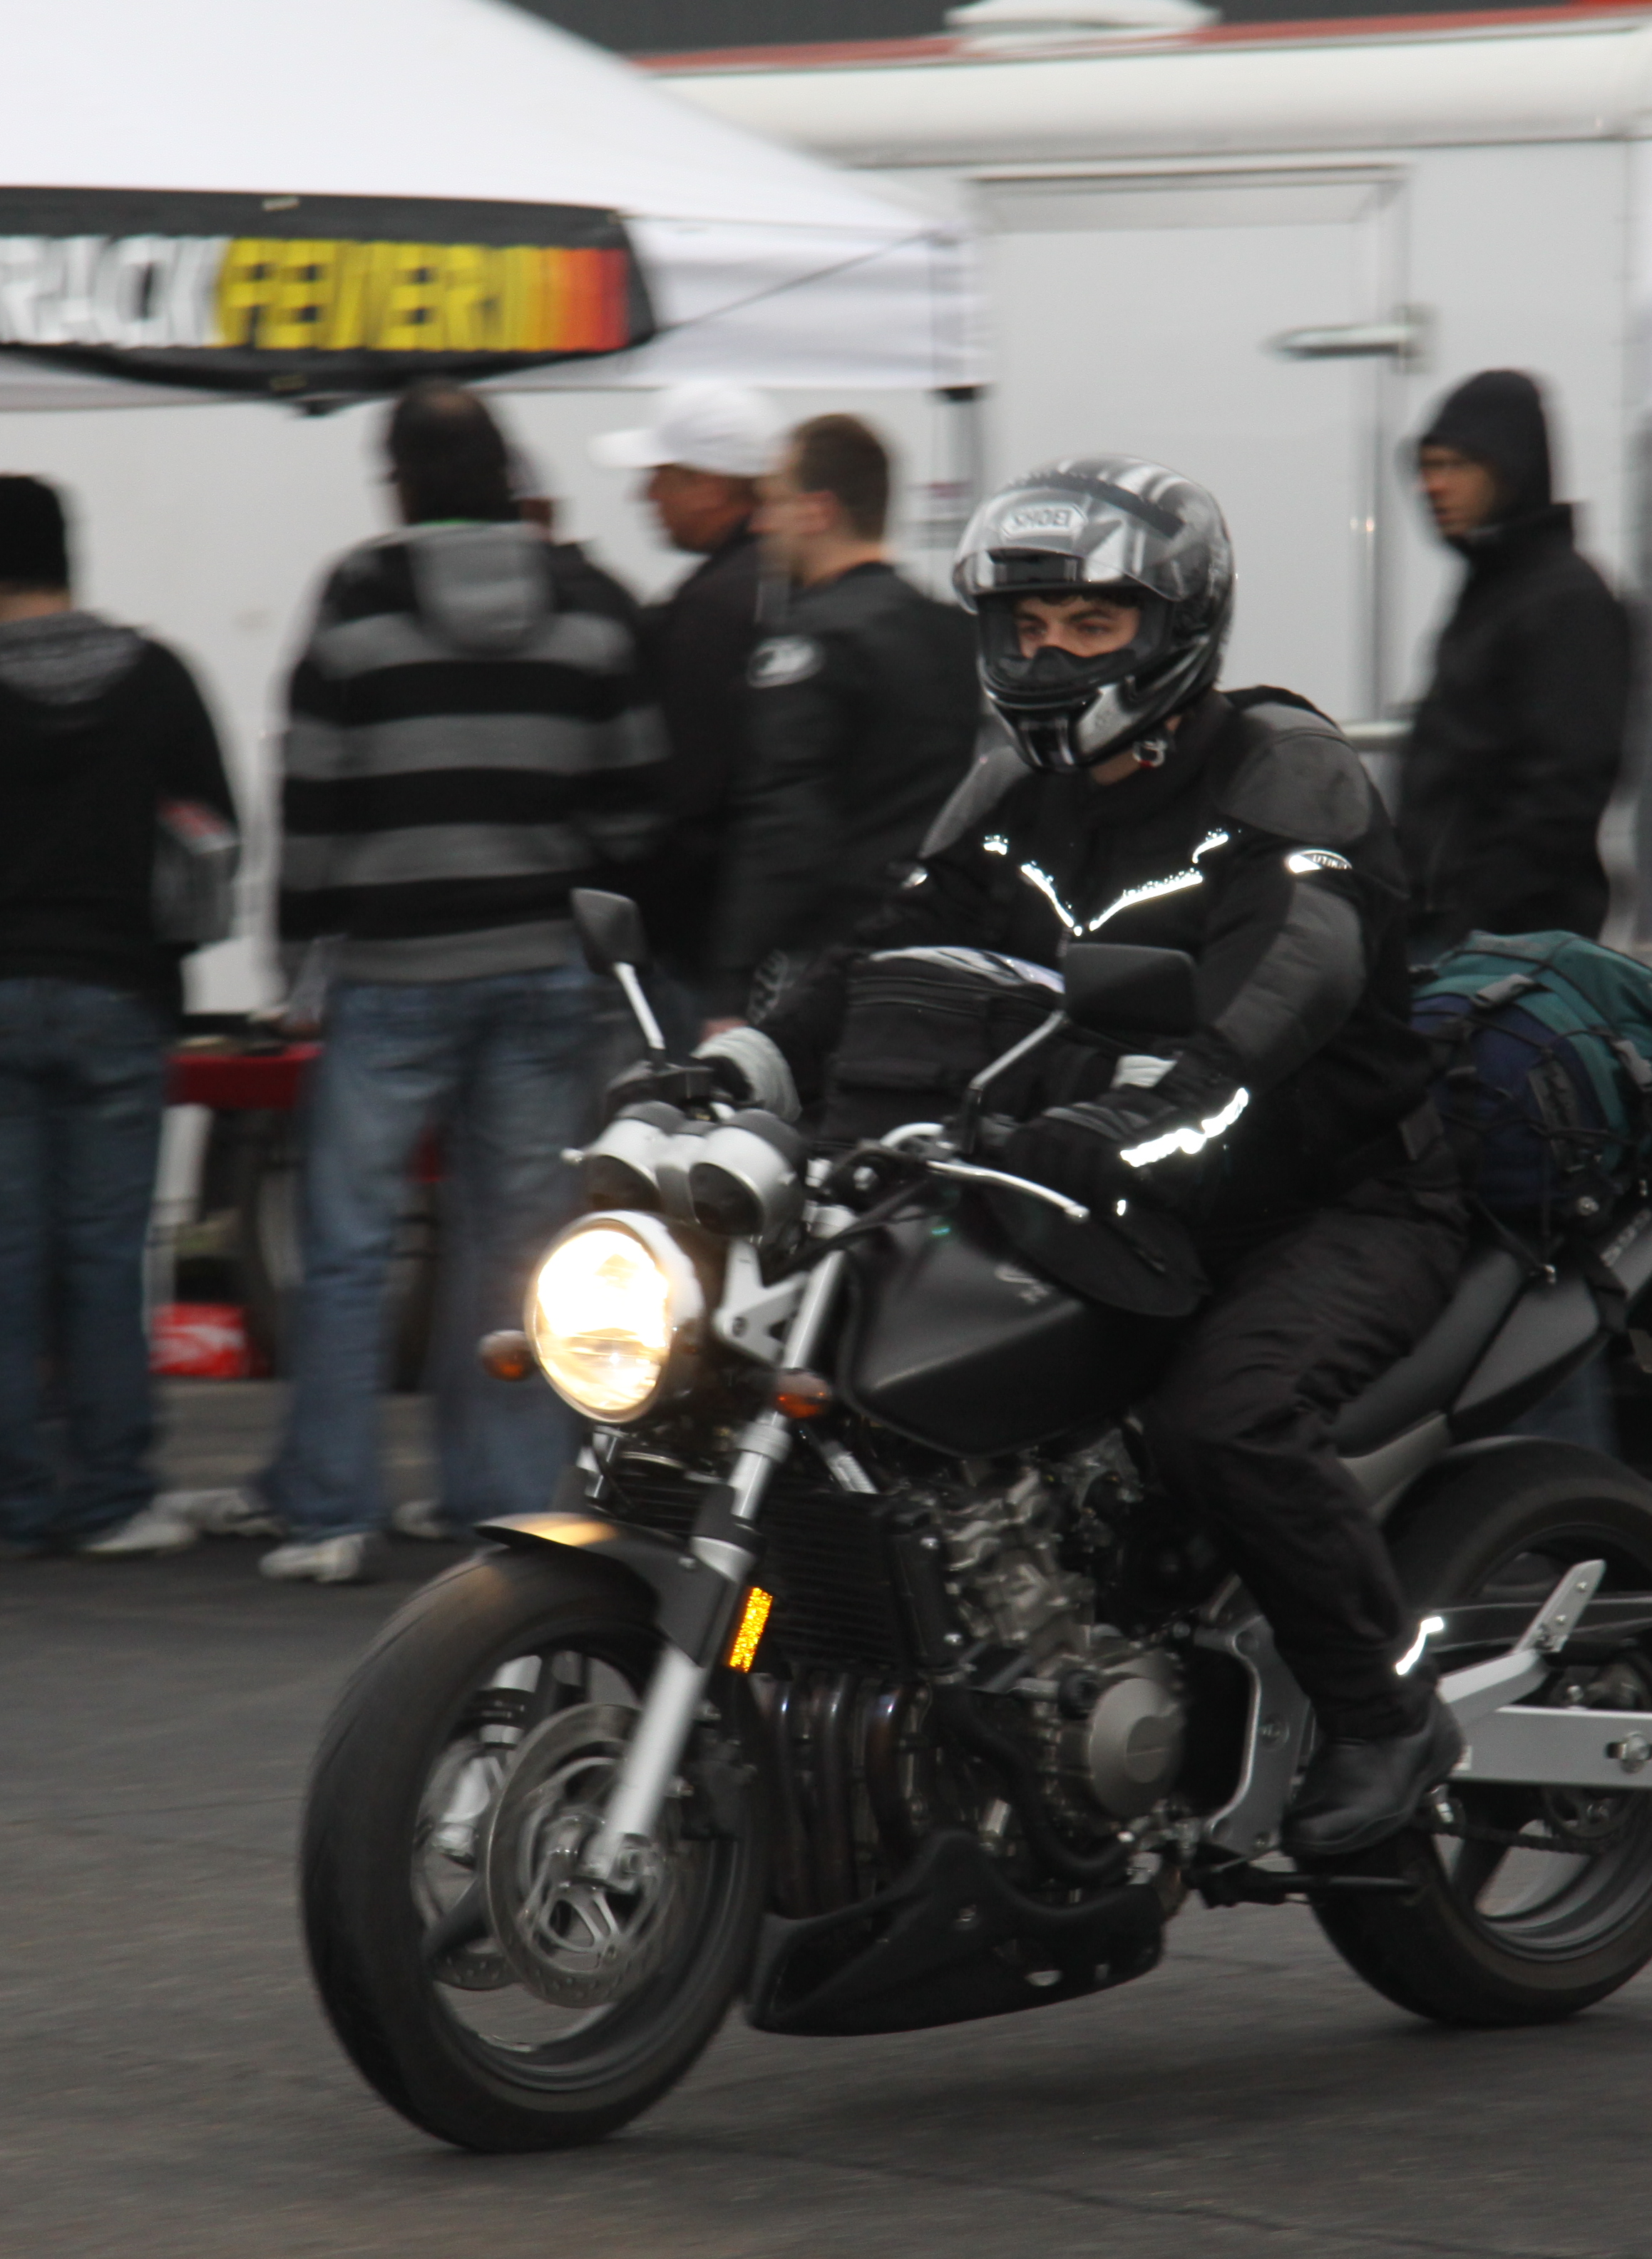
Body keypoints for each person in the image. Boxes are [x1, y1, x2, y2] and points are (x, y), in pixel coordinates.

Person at [627, 456, 1472, 1860]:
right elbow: (886, 954)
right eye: (1029, 626)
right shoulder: (1009, 789)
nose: (1052, 655)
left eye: (1092, 624)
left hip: (1331, 1196)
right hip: (1097, 1181)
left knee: (1223, 1420)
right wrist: (741, 1067)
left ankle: (1383, 1714)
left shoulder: (1284, 776)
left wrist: (1142, 1122)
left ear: (1176, 627)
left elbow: (1281, 1006)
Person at [245, 383, 663, 1584]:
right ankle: (501, 1498)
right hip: (540, 964)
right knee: (518, 1244)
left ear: (399, 481)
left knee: (348, 1247)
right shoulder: (587, 601)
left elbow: (312, 791)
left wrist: (297, 952)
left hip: (391, 970)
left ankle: (332, 1512)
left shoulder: (358, 597)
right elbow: (636, 796)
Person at [0, 477, 235, 1562]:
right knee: (105, 1255)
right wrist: (166, 952)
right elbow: (213, 840)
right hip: (117, 996)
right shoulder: (157, 678)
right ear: (70, 562)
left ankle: (12, 1502)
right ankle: (113, 1499)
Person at [703, 414, 983, 1025]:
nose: (761, 523)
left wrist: (730, 983)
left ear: (817, 510)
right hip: (940, 947)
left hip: (829, 959)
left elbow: (785, 823)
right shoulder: (954, 632)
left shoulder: (810, 641)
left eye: (773, 501)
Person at [1393, 369, 1629, 960]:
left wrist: (1473, 931)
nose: (1433, 486)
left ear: (1512, 469)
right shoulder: (1491, 591)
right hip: (1453, 943)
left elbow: (1563, 794)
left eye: (1455, 466)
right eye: (1426, 468)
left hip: (1507, 954)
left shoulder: (1565, 601)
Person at [590, 379, 782, 1026]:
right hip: (788, 934)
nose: (644, 496)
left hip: (708, 952)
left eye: (660, 477)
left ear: (709, 486)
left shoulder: (707, 612)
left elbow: (683, 796)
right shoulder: (797, 585)